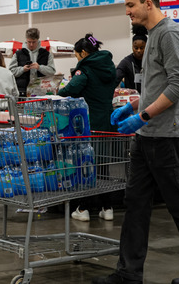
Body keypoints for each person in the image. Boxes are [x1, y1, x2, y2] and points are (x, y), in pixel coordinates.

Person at [98, 0, 179, 284]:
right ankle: (128, 273)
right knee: (135, 202)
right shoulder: (151, 35)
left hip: (168, 137)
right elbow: (159, 87)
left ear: (148, 3)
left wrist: (143, 116)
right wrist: (135, 106)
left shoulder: (170, 33)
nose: (127, 12)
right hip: (147, 135)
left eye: (130, 5)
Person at [58, 34, 119, 222]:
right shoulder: (109, 68)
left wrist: (58, 92)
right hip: (106, 123)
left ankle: (83, 208)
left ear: (83, 53)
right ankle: (107, 208)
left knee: (87, 166)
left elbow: (68, 91)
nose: (77, 59)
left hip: (88, 124)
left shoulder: (85, 70)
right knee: (102, 166)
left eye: (77, 55)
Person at [9, 28, 56, 96]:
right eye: (29, 42)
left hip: (42, 93)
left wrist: (40, 67)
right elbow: (11, 72)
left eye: (34, 42)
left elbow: (52, 71)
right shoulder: (18, 54)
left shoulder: (47, 54)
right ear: (26, 40)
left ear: (38, 40)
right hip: (22, 92)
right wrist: (22, 69)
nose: (31, 44)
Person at [116, 25, 147, 91]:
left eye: (141, 48)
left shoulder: (152, 60)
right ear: (132, 47)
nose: (138, 50)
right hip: (132, 98)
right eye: (136, 48)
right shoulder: (126, 62)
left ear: (147, 47)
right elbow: (116, 78)